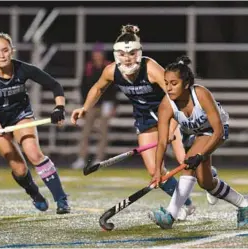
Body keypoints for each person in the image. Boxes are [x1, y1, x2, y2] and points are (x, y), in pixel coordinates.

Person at [71, 24, 196, 220]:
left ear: (139, 52)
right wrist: (85, 108)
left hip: (167, 114)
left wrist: (172, 126)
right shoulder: (111, 71)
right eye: (122, 53)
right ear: (116, 55)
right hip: (144, 119)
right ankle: (186, 205)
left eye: (131, 53)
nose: (127, 58)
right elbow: (97, 89)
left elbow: (175, 95)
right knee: (155, 171)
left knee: (185, 163)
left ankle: (209, 179)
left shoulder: (151, 68)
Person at [148, 55, 248, 229]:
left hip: (217, 129)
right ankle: (244, 205)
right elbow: (162, 142)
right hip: (198, 134)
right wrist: (157, 171)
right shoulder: (166, 105)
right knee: (205, 182)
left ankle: (170, 215)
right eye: (166, 83)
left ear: (186, 84)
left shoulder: (200, 94)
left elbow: (217, 132)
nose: (169, 88)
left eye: (174, 83)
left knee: (189, 162)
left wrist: (200, 155)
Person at [0, 32, 70, 214]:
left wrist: (59, 108)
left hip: (20, 115)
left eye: (5, 50)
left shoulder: (23, 69)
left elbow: (55, 85)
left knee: (34, 154)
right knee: (19, 168)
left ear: (12, 51)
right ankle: (35, 194)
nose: (2, 55)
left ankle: (61, 200)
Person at [72, 42, 118, 169]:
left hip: (105, 104)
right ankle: (81, 158)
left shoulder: (109, 67)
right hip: (92, 104)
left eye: (99, 53)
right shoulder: (89, 68)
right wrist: (84, 105)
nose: (97, 56)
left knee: (103, 132)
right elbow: (83, 87)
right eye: (95, 53)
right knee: (85, 131)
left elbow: (115, 87)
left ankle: (99, 159)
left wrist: (113, 104)